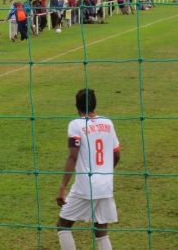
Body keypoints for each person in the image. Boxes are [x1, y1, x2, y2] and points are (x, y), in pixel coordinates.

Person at [56, 88, 121, 250]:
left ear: (77, 106)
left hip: (85, 186)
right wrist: (105, 172)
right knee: (101, 229)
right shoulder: (107, 123)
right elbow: (117, 154)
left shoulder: (76, 125)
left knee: (63, 225)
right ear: (94, 104)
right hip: (106, 184)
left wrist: (62, 186)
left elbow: (73, 156)